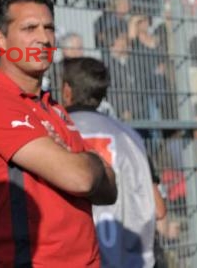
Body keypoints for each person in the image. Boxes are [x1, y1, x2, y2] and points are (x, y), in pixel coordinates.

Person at [0, 0, 117, 267]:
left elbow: (109, 190)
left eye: (49, 28)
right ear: (0, 39)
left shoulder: (51, 106)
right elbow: (81, 178)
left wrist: (86, 167)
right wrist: (89, 162)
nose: (44, 39)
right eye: (30, 28)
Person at [61, 57, 156, 268]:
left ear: (67, 90)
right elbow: (158, 208)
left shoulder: (55, 132)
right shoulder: (130, 137)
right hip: (130, 259)